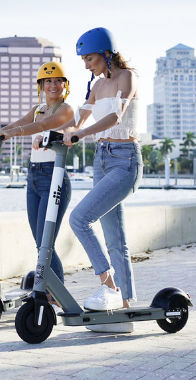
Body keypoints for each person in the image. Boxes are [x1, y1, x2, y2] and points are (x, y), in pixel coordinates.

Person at [63, 27, 143, 333]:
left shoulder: (127, 77)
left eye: (90, 58)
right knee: (115, 238)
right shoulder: (96, 86)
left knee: (80, 219)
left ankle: (108, 286)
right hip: (102, 158)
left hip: (125, 160)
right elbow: (80, 117)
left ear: (107, 54)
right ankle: (124, 312)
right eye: (84, 60)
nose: (86, 65)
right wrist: (55, 134)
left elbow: (115, 118)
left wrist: (81, 134)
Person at [0, 61, 74, 317]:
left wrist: (12, 133)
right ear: (41, 86)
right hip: (34, 178)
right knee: (40, 243)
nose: (53, 85)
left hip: (55, 177)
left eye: (58, 81)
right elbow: (19, 124)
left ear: (65, 85)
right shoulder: (37, 109)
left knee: (45, 243)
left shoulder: (66, 110)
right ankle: (53, 296)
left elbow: (41, 127)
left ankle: (56, 299)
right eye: (47, 81)